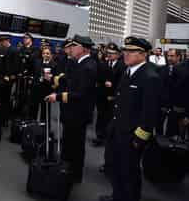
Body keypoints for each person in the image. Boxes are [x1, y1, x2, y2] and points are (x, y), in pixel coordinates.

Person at [100, 36, 161, 201]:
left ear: (143, 54)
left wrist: (139, 139)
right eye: (125, 50)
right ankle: (117, 196)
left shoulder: (149, 77)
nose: (126, 54)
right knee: (116, 168)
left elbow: (150, 113)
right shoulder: (129, 72)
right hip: (118, 130)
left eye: (131, 51)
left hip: (131, 136)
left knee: (129, 174)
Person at [46, 34, 97, 184]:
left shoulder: (88, 66)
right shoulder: (80, 63)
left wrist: (59, 96)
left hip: (78, 113)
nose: (71, 49)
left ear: (83, 48)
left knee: (75, 145)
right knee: (70, 143)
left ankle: (73, 175)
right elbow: (70, 81)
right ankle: (67, 171)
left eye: (74, 46)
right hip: (72, 112)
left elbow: (80, 93)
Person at [156, 49, 181, 136]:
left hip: (176, 106)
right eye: (168, 56)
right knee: (158, 128)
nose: (169, 58)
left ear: (178, 57)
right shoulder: (161, 69)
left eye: (172, 56)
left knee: (172, 130)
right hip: (162, 104)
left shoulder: (184, 70)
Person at [33, 47, 57, 121]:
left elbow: (55, 79)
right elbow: (34, 74)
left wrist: (51, 78)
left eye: (47, 53)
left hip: (47, 89)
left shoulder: (54, 65)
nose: (45, 55)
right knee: (34, 107)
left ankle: (44, 127)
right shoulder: (37, 62)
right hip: (36, 88)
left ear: (51, 55)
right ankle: (32, 126)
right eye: (43, 53)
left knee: (45, 109)